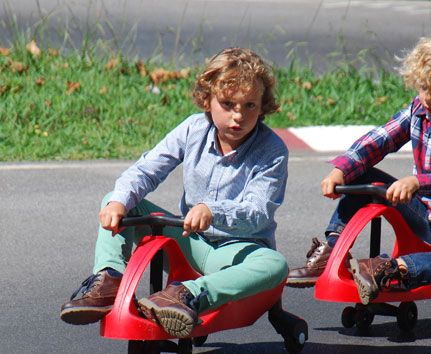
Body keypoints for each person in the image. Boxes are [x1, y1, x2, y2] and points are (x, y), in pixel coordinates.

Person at [60, 47, 289, 339]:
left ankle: (186, 296)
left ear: (262, 106)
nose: (238, 116)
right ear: (207, 100)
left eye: (250, 106)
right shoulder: (193, 129)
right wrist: (120, 200)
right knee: (117, 200)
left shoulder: (272, 151)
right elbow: (147, 169)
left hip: (237, 251)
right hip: (189, 241)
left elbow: (258, 212)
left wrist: (212, 210)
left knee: (274, 264)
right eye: (228, 104)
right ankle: (109, 280)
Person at [287, 30, 431, 306]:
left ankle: (389, 269)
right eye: (422, 87)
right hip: (425, 215)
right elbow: (380, 139)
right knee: (363, 175)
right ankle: (332, 249)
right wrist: (342, 169)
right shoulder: (418, 110)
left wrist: (417, 182)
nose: (427, 98)